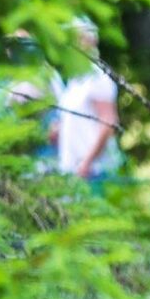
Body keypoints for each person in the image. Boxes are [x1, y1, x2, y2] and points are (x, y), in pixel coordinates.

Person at [50, 17, 120, 182]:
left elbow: (108, 124)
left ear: (87, 42)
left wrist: (87, 163)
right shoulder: (76, 81)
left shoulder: (98, 78)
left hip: (93, 172)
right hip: (71, 170)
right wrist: (58, 129)